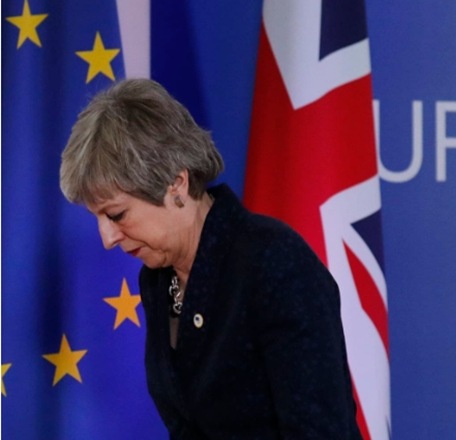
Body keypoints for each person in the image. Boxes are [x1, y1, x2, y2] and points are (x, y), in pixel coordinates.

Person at [59, 78, 362, 439]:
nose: (108, 239)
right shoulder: (159, 279)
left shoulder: (274, 263)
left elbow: (320, 431)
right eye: (97, 218)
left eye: (117, 214)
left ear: (176, 184)